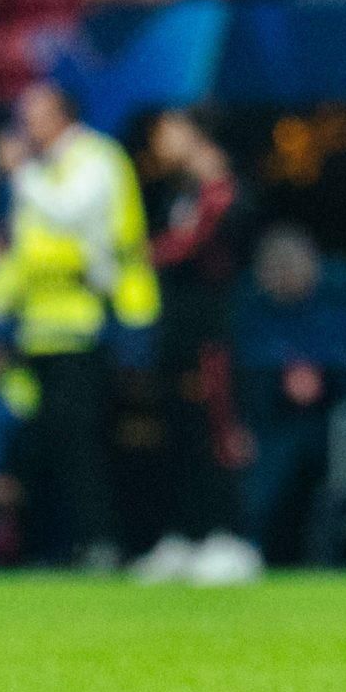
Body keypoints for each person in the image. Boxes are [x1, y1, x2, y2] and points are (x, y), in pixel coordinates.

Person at [0, 83, 159, 567]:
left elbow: (68, 214)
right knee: (50, 444)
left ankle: (103, 541)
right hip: (41, 327)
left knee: (87, 443)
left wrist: (20, 172)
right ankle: (61, 544)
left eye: (34, 115)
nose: (25, 127)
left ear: (62, 115)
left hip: (95, 322)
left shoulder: (94, 158)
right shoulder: (45, 168)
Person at [131, 109, 262, 586]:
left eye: (170, 132)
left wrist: (142, 255)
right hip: (176, 332)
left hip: (213, 336)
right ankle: (186, 535)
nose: (161, 142)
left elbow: (193, 246)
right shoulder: (177, 193)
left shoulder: (225, 192)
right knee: (179, 435)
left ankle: (231, 538)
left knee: (217, 435)